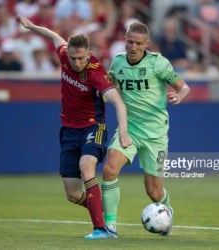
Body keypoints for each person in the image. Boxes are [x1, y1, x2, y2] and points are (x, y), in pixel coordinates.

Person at [16, 15, 132, 239]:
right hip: (69, 131)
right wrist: (31, 26)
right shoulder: (64, 55)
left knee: (86, 167)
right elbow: (53, 36)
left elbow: (118, 101)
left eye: (80, 58)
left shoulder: (95, 73)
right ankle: (103, 214)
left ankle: (101, 230)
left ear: (88, 54)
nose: (76, 63)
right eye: (73, 58)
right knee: (72, 194)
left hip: (93, 128)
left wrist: (124, 131)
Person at [101, 21, 190, 237]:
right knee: (109, 169)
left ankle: (166, 210)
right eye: (129, 42)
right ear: (125, 41)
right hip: (129, 127)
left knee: (153, 191)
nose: (132, 47)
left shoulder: (158, 64)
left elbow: (183, 86)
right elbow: (110, 84)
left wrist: (179, 95)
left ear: (146, 44)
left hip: (155, 133)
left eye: (138, 43)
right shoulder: (118, 63)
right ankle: (109, 227)